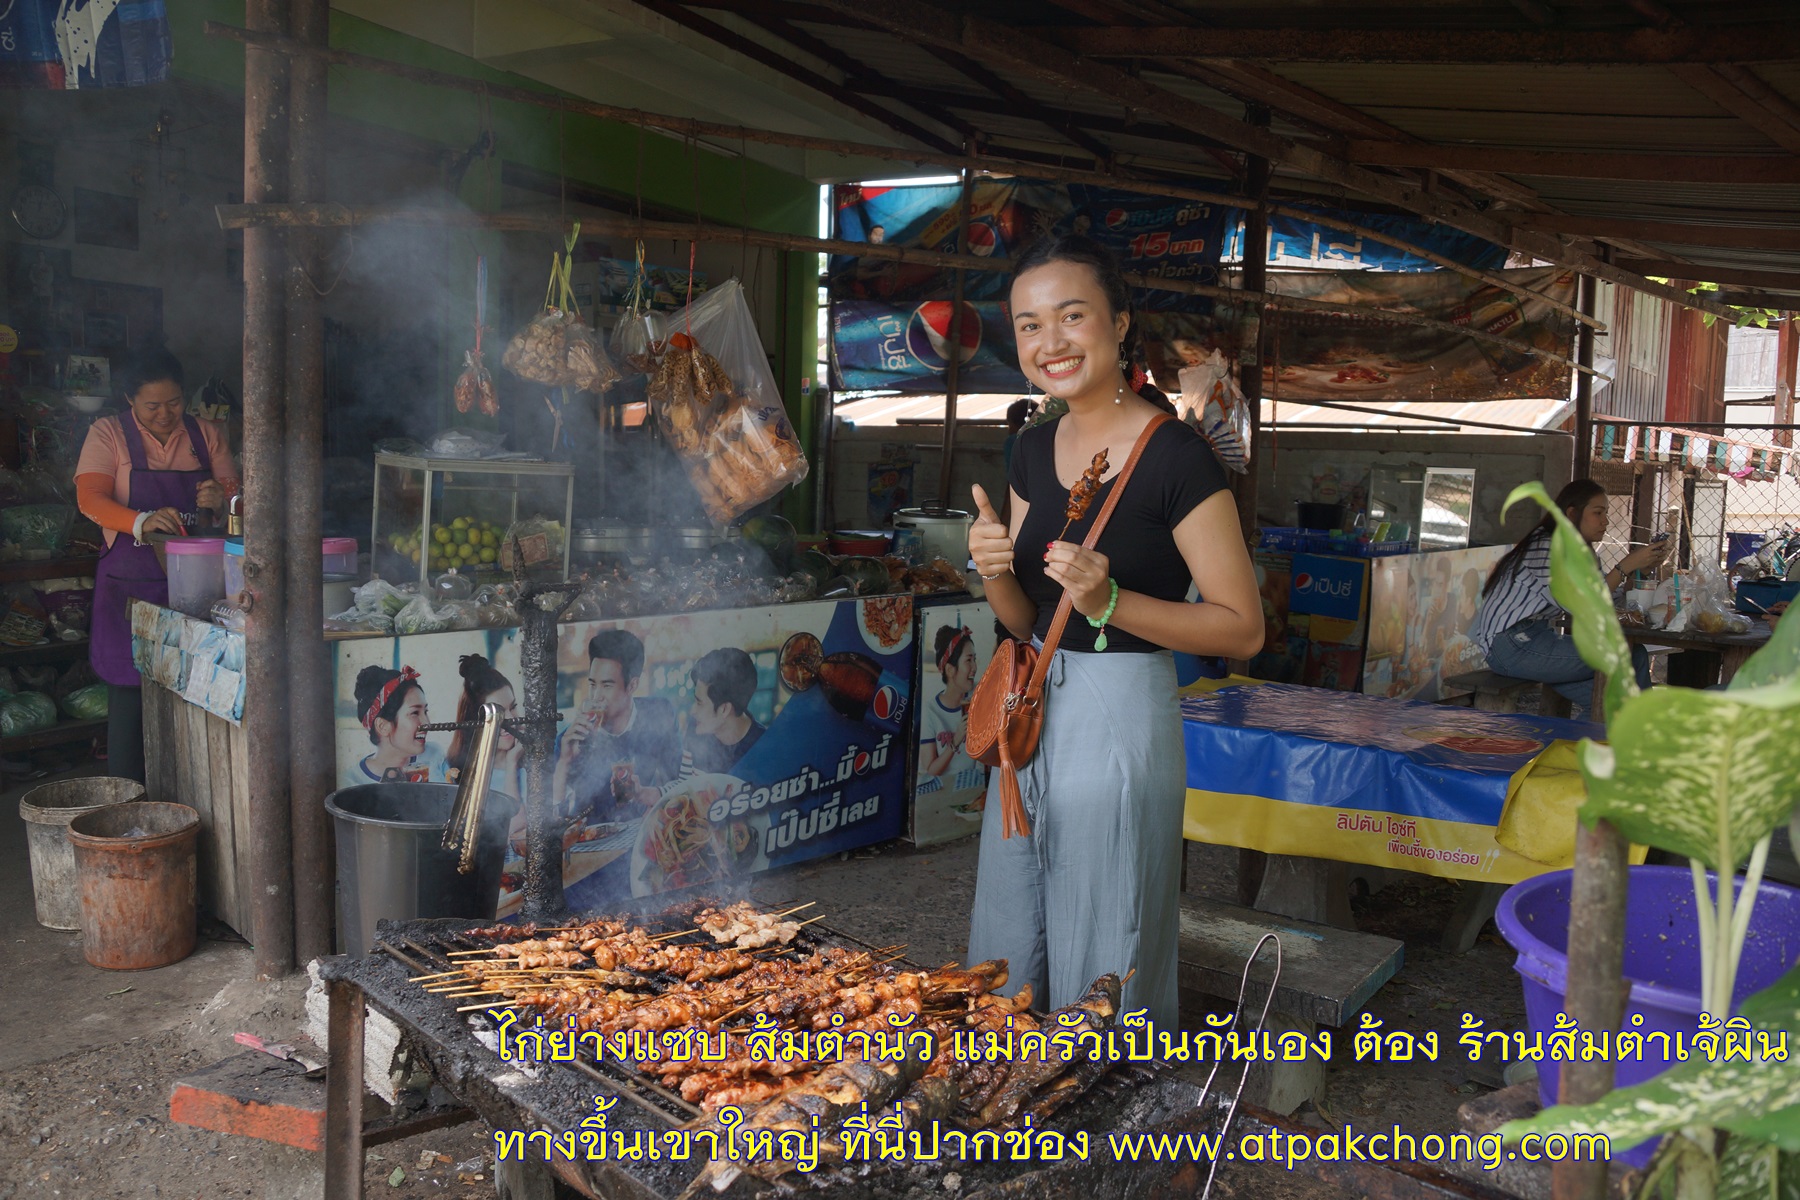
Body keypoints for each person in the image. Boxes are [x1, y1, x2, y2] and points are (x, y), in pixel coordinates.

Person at [964, 233, 1264, 1028]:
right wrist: (994, 567)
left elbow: (1241, 631)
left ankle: (1105, 1117)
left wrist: (1111, 602)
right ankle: (1004, 1097)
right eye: (1029, 325)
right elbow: (1028, 618)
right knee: (1011, 918)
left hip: (1121, 714)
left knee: (1108, 926)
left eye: (1071, 315)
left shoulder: (1179, 460)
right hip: (1031, 714)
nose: (1050, 341)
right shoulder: (1032, 448)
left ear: (1119, 323)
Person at [75, 348, 237, 782]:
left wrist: (221, 502)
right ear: (130, 399)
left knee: (194, 699)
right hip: (128, 587)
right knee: (130, 703)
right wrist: (140, 522)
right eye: (153, 405)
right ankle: (129, 801)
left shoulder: (206, 434)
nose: (166, 414)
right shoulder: (107, 434)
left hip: (196, 590)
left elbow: (237, 498)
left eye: (174, 402)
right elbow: (89, 498)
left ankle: (188, 799)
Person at [1471, 478, 1667, 717]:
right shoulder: (1548, 547)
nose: (1605, 521)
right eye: (1598, 513)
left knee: (1616, 698)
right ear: (1572, 513)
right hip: (1510, 644)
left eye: (1605, 513)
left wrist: (1638, 573)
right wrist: (1625, 567)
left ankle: (1590, 746)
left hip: (1539, 638)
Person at [554, 629, 681, 823]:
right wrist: (564, 763)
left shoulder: (659, 714)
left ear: (632, 685)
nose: (596, 697)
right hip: (592, 844)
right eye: (592, 685)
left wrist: (656, 804)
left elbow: (680, 783)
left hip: (644, 832)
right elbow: (556, 820)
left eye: (606, 686)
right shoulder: (571, 740)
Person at [345, 665, 447, 786]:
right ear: (382, 726)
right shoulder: (353, 781)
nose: (427, 723)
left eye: (425, 712)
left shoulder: (434, 755)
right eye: (415, 713)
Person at [447, 654, 524, 799]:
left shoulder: (532, 767)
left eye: (513, 707)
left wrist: (511, 762)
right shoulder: (450, 770)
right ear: (474, 722)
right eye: (498, 712)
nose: (511, 719)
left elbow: (521, 822)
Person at [918, 624, 983, 795]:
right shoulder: (930, 710)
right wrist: (956, 740)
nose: (974, 667)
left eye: (975, 659)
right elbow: (931, 770)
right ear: (950, 669)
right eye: (969, 660)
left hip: (973, 788)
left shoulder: (980, 696)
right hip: (941, 792)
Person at [680, 647, 765, 776]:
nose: (692, 711)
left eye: (699, 703)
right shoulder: (695, 728)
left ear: (724, 709)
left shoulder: (765, 747)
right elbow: (683, 787)